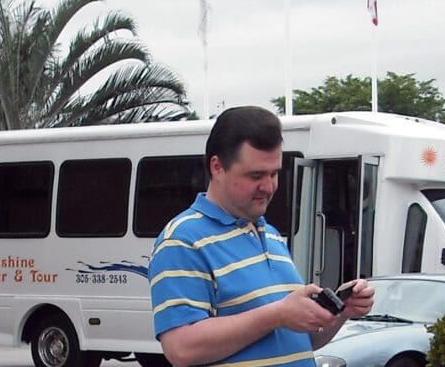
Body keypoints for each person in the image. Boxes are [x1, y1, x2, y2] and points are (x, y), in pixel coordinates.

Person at [149, 106, 375, 367]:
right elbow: (181, 348)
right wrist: (277, 314)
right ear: (217, 167)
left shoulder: (272, 236)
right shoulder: (182, 240)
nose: (268, 187)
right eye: (255, 175)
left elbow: (302, 340)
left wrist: (342, 311)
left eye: (275, 173)